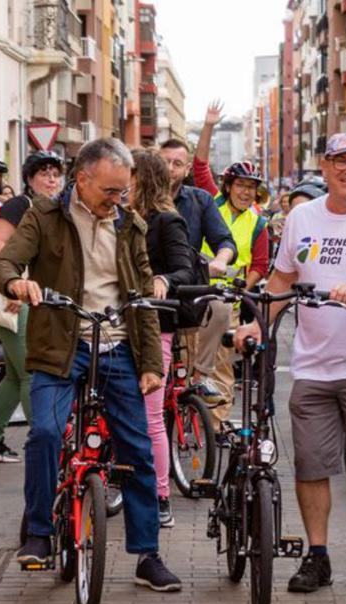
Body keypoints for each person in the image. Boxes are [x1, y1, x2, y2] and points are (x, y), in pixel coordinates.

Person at [0, 137, 182, 592]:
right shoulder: (45, 216)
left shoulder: (130, 225)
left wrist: (151, 364)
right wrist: (17, 285)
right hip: (61, 345)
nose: (117, 201)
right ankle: (38, 532)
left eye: (123, 192)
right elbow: (4, 264)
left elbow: (140, 302)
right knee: (45, 434)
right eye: (109, 191)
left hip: (117, 345)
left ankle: (147, 556)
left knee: (136, 448)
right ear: (82, 179)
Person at [238, 133, 346, 593]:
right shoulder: (301, 217)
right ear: (325, 166)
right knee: (311, 466)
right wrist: (258, 323)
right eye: (342, 161)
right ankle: (317, 555)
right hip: (312, 367)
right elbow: (282, 278)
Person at [0, 151, 66, 463]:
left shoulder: (55, 207)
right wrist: (12, 286)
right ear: (29, 179)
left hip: (30, 296)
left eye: (56, 173)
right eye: (44, 173)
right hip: (13, 297)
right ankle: (45, 442)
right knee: (30, 371)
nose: (51, 179)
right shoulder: (19, 205)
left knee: (14, 375)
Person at [129, 148, 194, 528]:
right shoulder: (116, 217)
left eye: (129, 175)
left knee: (152, 417)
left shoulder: (168, 221)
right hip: (118, 324)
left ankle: (160, 496)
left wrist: (164, 280)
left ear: (143, 178)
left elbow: (185, 269)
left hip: (157, 327)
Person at [158, 136, 236, 404]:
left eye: (177, 163)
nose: (170, 168)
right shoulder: (139, 197)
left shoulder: (200, 200)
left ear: (187, 169)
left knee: (221, 308)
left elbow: (225, 241)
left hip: (188, 286)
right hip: (151, 288)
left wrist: (221, 261)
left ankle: (200, 375)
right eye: (164, 162)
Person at [204, 161, 272, 422]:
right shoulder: (211, 204)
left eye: (252, 187)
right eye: (241, 185)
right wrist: (209, 124)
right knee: (188, 364)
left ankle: (216, 425)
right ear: (228, 186)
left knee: (222, 367)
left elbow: (259, 265)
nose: (246, 192)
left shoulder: (258, 223)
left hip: (228, 304)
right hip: (196, 297)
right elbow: (200, 167)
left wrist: (242, 288)